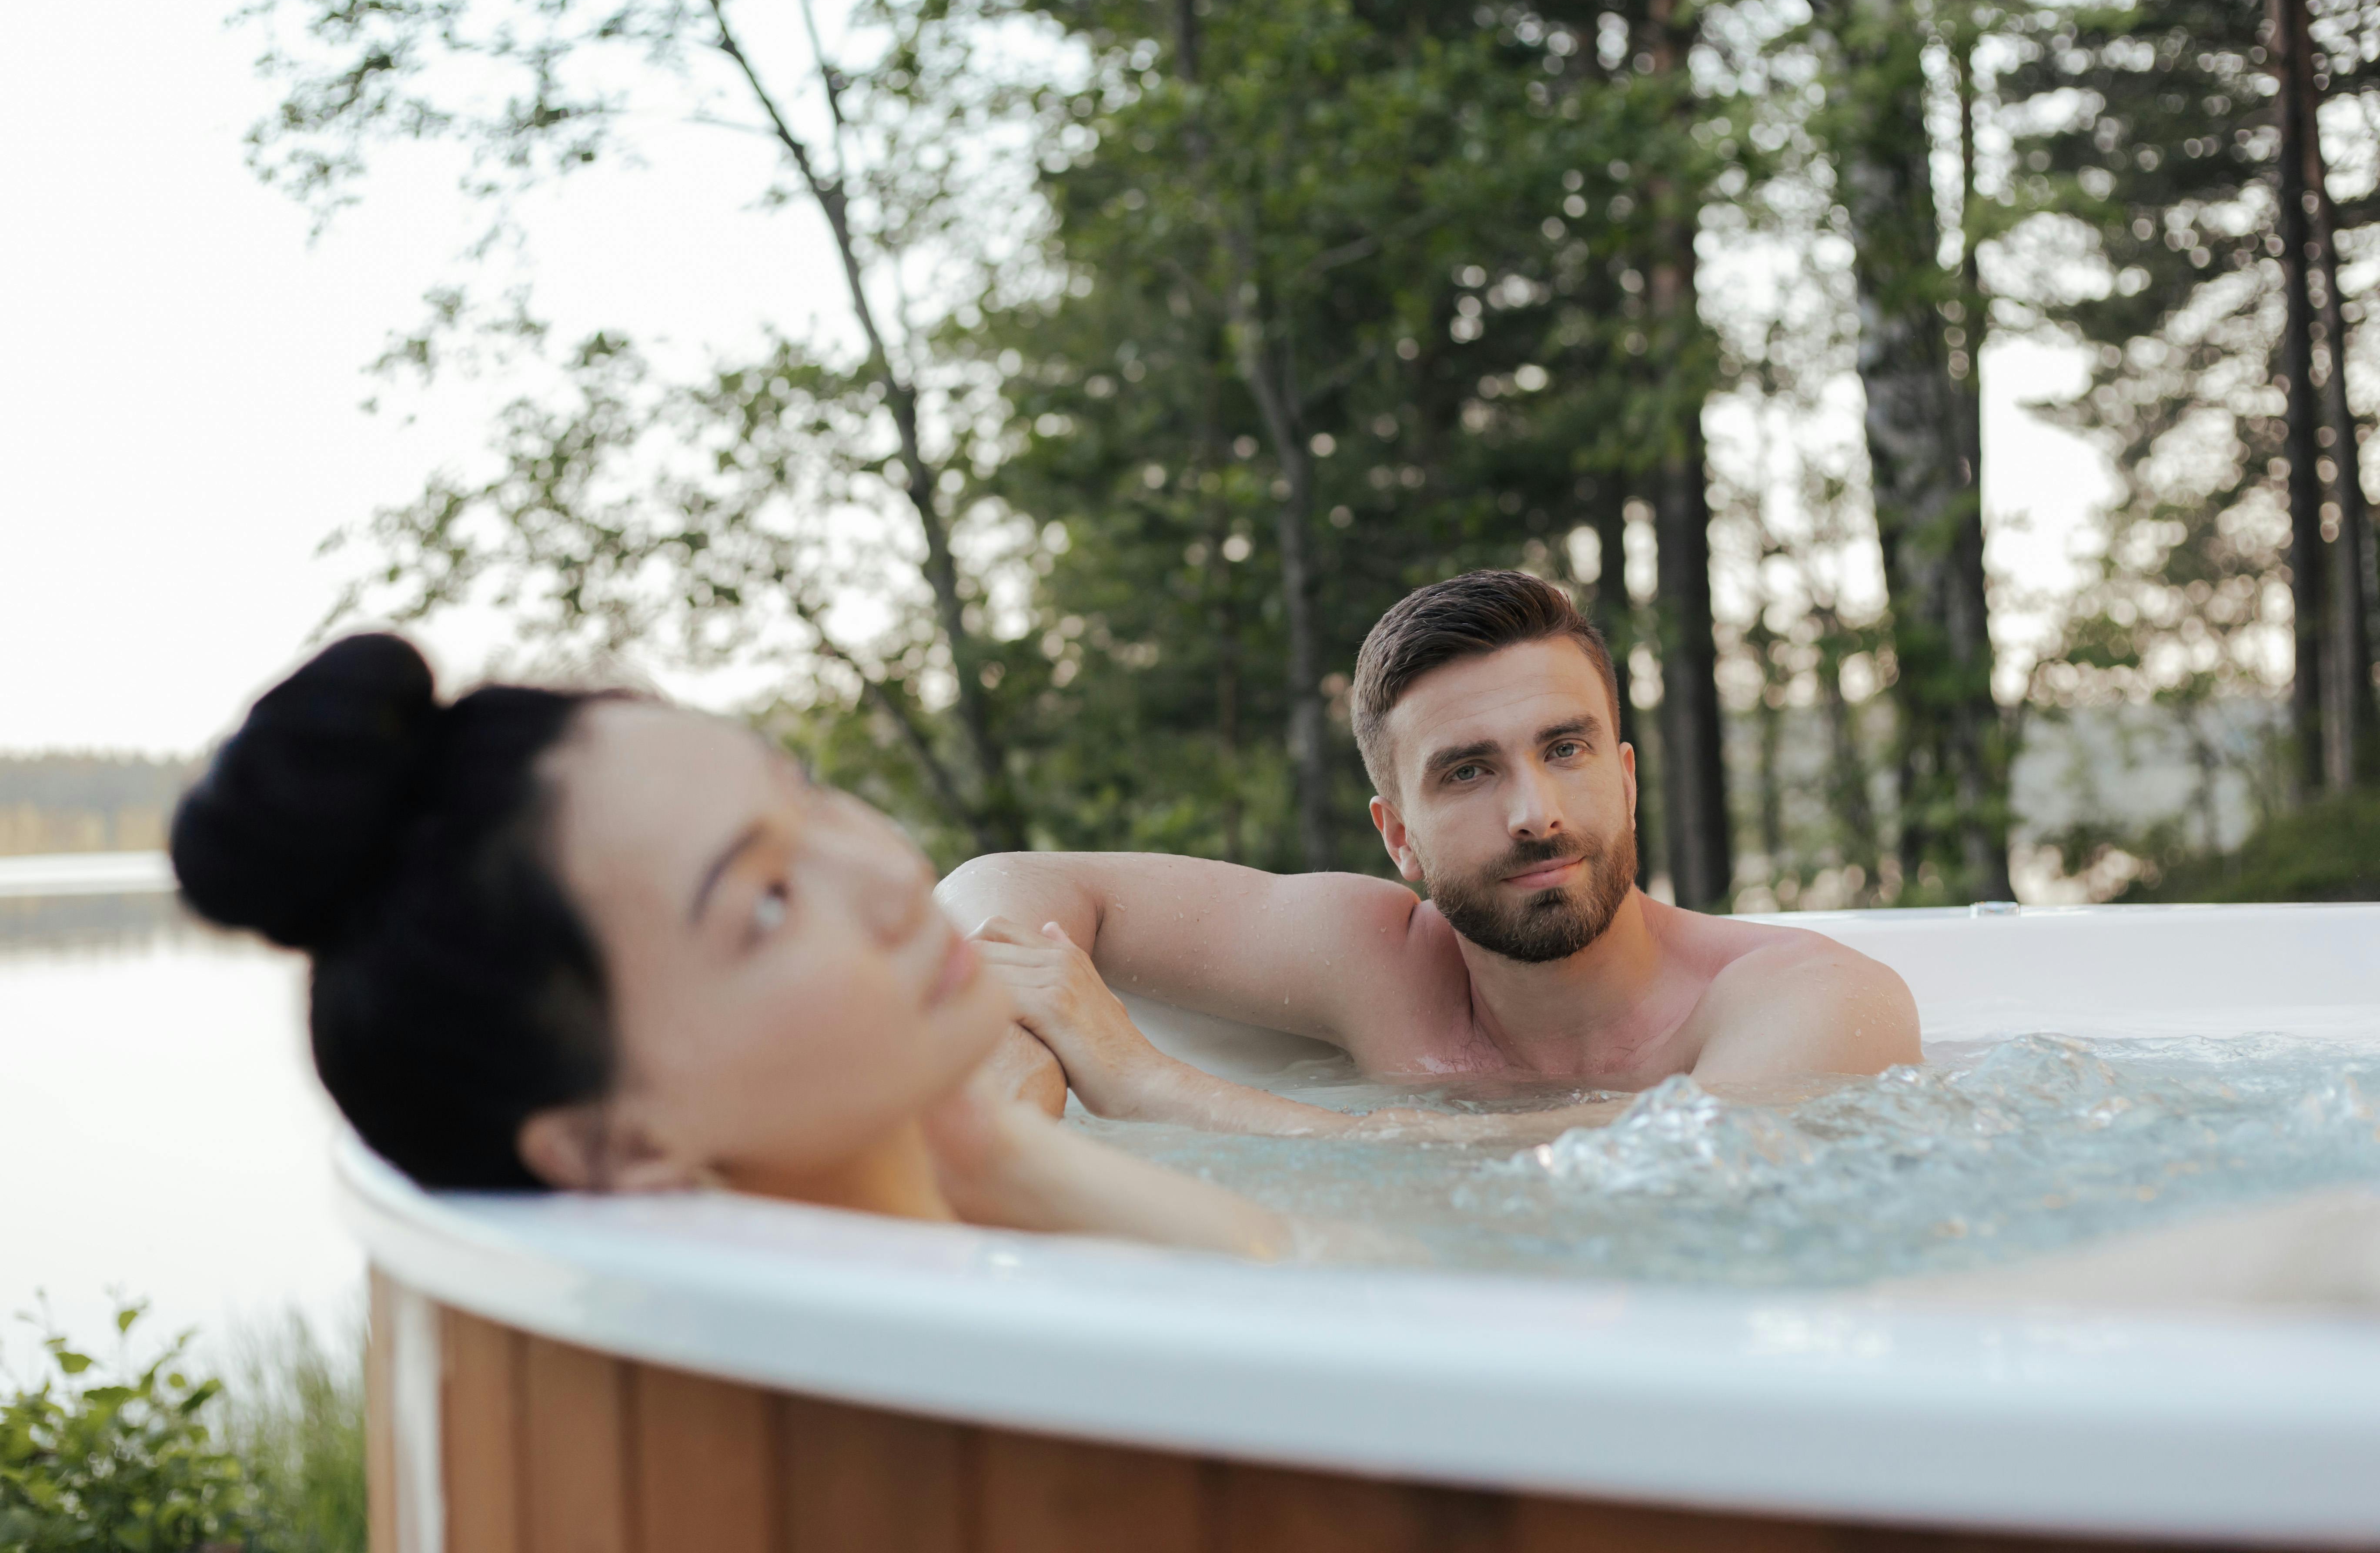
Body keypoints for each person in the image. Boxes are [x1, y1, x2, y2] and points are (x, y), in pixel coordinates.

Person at [169, 634, 1288, 1258]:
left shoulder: (973, 1228)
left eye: (808, 792)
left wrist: (986, 1153)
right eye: (765, 901)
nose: (896, 877)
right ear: (615, 1144)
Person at [941, 569, 1922, 1137]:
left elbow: (1653, 1170)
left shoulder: (1816, 1002)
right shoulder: (1377, 967)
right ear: (1398, 837)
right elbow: (998, 885)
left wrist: (1153, 1084)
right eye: (1468, 772)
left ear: (1625, 779)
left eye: (1565, 749)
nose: (1535, 813)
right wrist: (1014, 1064)